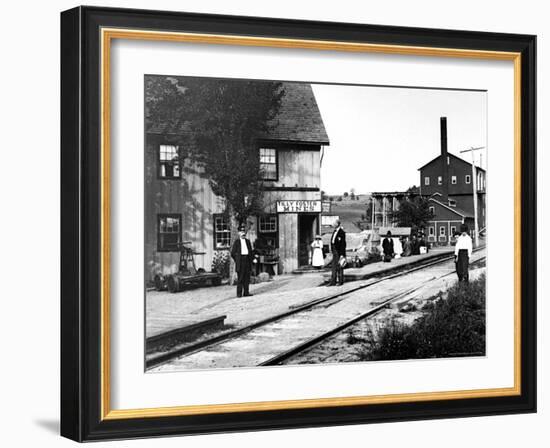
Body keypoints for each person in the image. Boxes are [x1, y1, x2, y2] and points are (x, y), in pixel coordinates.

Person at [230, 224, 257, 297]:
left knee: (247, 277)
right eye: (241, 232)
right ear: (239, 233)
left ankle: (246, 292)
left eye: (244, 232)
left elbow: (250, 252)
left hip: (247, 260)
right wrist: (237, 260)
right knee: (240, 278)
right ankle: (239, 294)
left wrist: (253, 258)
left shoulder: (248, 241)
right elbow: (232, 253)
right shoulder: (237, 242)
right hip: (240, 261)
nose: (243, 234)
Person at [328, 220, 346, 286]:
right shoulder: (334, 231)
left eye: (334, 223)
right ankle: (333, 281)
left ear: (337, 224)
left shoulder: (342, 232)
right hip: (334, 251)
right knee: (334, 267)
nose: (333, 224)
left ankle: (340, 281)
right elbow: (333, 242)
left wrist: (342, 254)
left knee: (340, 266)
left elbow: (343, 244)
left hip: (339, 252)